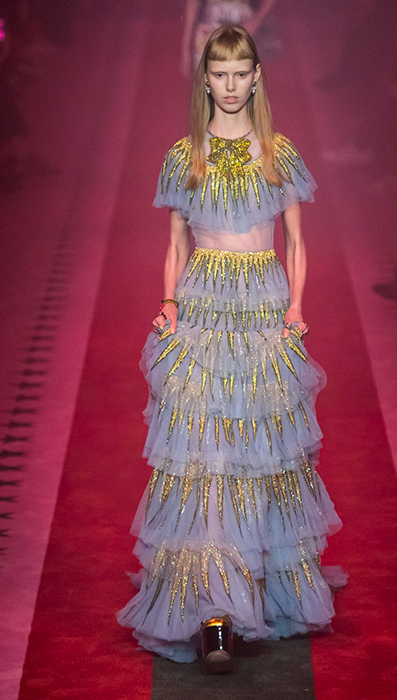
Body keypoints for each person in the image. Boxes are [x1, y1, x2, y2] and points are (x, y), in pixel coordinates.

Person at [117, 24, 346, 672]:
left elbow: (296, 241)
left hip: (265, 309)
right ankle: (214, 614)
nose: (230, 85)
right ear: (206, 79)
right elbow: (174, 244)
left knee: (261, 454)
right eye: (219, 74)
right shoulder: (183, 155)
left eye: (240, 73)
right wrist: (168, 304)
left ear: (256, 76)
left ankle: (257, 593)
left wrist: (296, 309)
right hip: (202, 307)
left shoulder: (278, 152)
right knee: (206, 457)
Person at [181, 0, 276, 77]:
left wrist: (256, 20)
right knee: (207, 86)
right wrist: (186, 47)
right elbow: (192, 3)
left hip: (241, 32)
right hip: (209, 32)